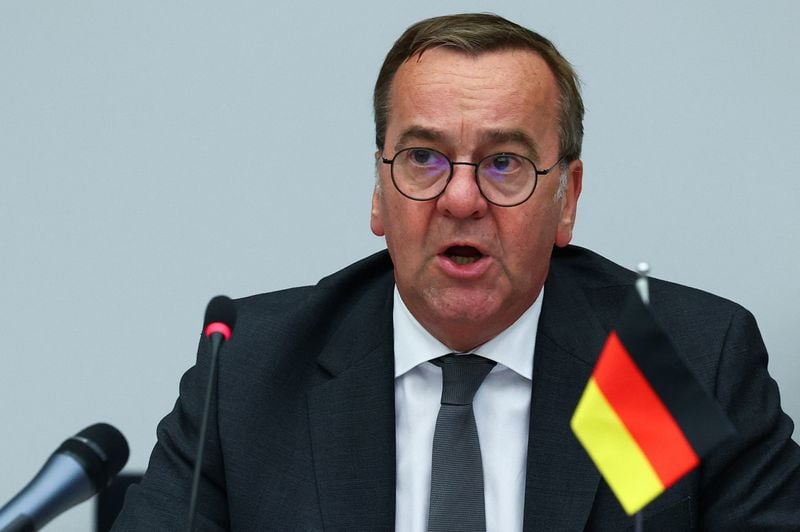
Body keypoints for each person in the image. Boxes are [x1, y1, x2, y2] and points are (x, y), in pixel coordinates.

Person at [113, 13, 800, 531]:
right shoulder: (254, 371)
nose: (462, 199)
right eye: (423, 158)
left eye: (504, 163)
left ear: (567, 200)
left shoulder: (666, 358)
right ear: (378, 192)